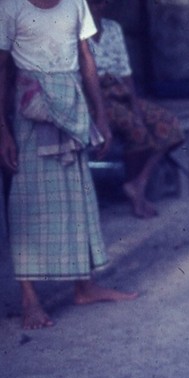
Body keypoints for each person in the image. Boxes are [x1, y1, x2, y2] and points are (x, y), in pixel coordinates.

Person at [0, 0, 138, 330]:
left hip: (72, 101)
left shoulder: (76, 3)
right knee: (27, 201)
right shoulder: (10, 6)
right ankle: (29, 298)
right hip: (31, 104)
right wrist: (2, 130)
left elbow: (86, 59)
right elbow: (2, 69)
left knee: (77, 195)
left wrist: (101, 117)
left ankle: (84, 286)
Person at [86, 0, 183, 219]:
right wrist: (106, 92)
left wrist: (134, 103)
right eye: (92, 3)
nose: (97, 7)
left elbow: (125, 72)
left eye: (101, 2)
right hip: (93, 100)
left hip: (120, 93)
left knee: (169, 125)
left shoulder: (113, 29)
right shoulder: (75, 31)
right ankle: (137, 200)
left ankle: (138, 183)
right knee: (135, 129)